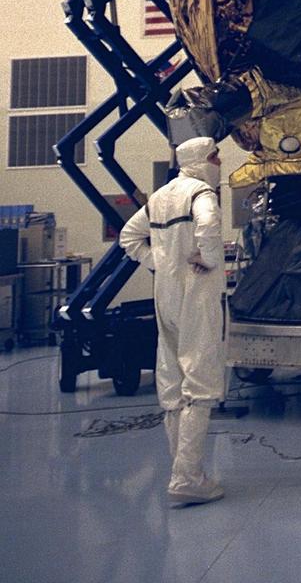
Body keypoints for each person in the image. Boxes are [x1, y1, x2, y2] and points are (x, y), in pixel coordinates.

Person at [119, 136, 227, 507]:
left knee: (172, 383)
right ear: (200, 160)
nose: (219, 161)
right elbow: (209, 226)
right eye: (215, 156)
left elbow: (129, 237)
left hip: (165, 294)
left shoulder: (160, 197)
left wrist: (160, 264)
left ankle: (183, 472)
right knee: (200, 381)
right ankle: (187, 477)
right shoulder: (201, 194)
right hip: (196, 293)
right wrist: (209, 260)